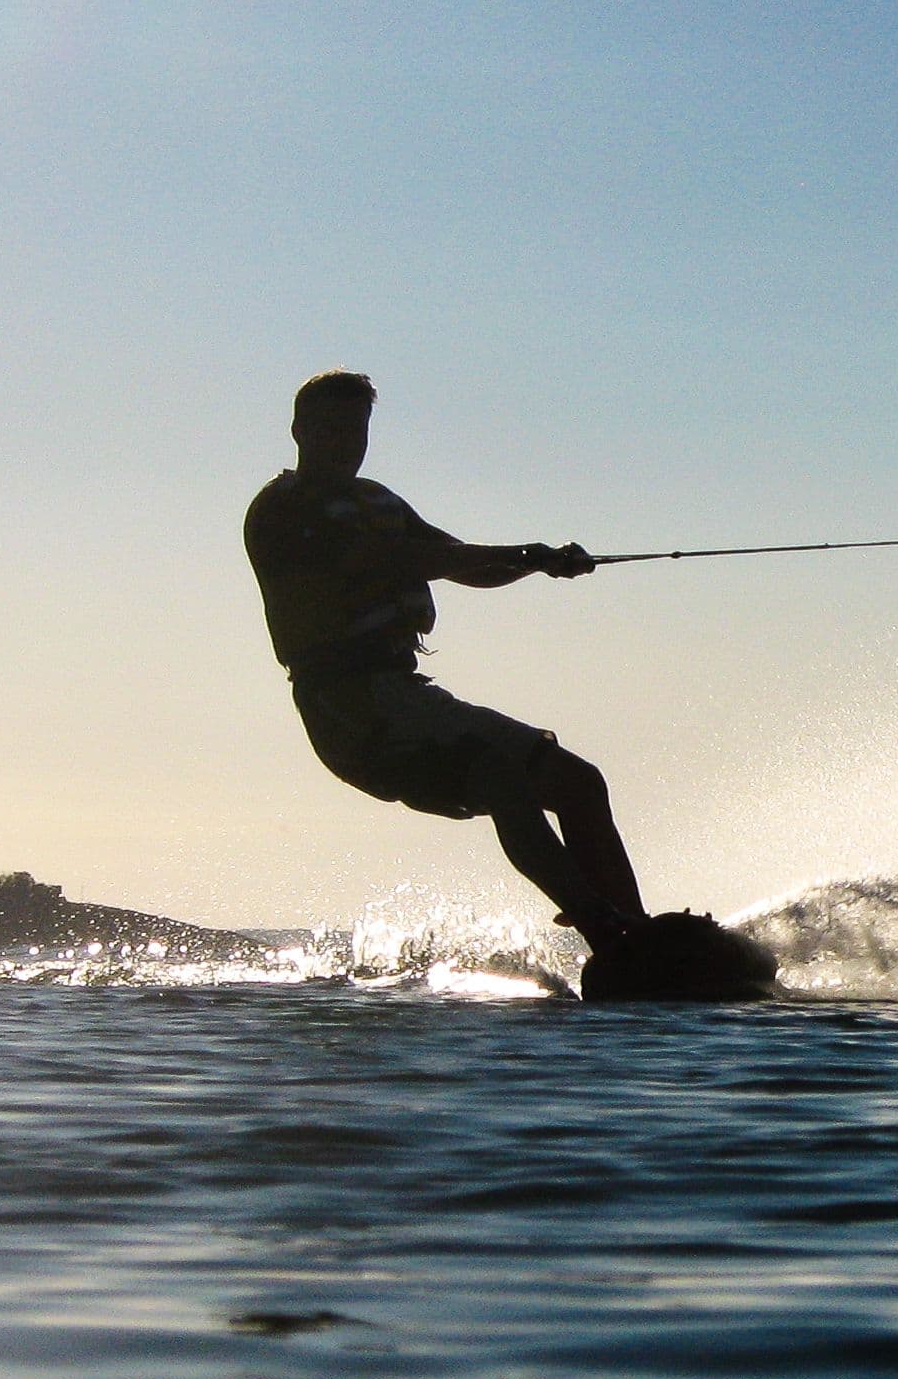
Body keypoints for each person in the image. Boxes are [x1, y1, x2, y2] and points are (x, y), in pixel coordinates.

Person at [242, 369, 648, 959]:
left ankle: (640, 937)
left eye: (357, 430)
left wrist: (541, 563)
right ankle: (603, 931)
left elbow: (462, 563)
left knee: (580, 784)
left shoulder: (376, 502)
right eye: (331, 429)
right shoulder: (282, 512)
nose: (346, 443)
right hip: (347, 707)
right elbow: (403, 559)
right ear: (299, 430)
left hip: (408, 696)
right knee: (499, 775)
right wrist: (526, 553)